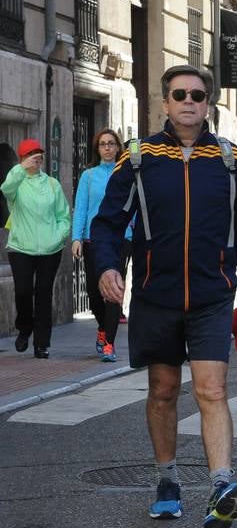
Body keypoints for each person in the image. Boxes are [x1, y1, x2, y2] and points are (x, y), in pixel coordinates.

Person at [92, 64, 237, 528]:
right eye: (179, 94)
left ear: (209, 104)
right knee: (164, 391)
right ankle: (167, 480)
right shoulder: (139, 159)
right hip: (155, 295)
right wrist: (108, 266)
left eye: (198, 94)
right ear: (165, 102)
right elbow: (107, 223)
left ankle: (222, 485)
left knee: (212, 389)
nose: (189, 101)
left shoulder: (230, 161)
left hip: (212, 296)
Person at [3, 138, 70, 360]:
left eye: (39, 152)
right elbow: (5, 188)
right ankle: (24, 327)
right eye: (32, 153)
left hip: (50, 250)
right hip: (21, 247)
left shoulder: (52, 184)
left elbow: (63, 216)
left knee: (43, 294)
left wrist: (59, 237)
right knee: (23, 291)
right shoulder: (17, 183)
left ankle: (42, 344)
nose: (37, 156)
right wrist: (22, 169)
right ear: (22, 158)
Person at [73, 129, 133, 361]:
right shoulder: (89, 176)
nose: (107, 148)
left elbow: (135, 205)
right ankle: (102, 328)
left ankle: (109, 344)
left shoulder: (127, 174)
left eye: (111, 144)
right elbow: (81, 208)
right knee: (93, 291)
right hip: (92, 239)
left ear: (118, 147)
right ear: (97, 149)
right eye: (103, 144)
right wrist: (76, 238)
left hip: (121, 239)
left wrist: (133, 231)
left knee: (114, 289)